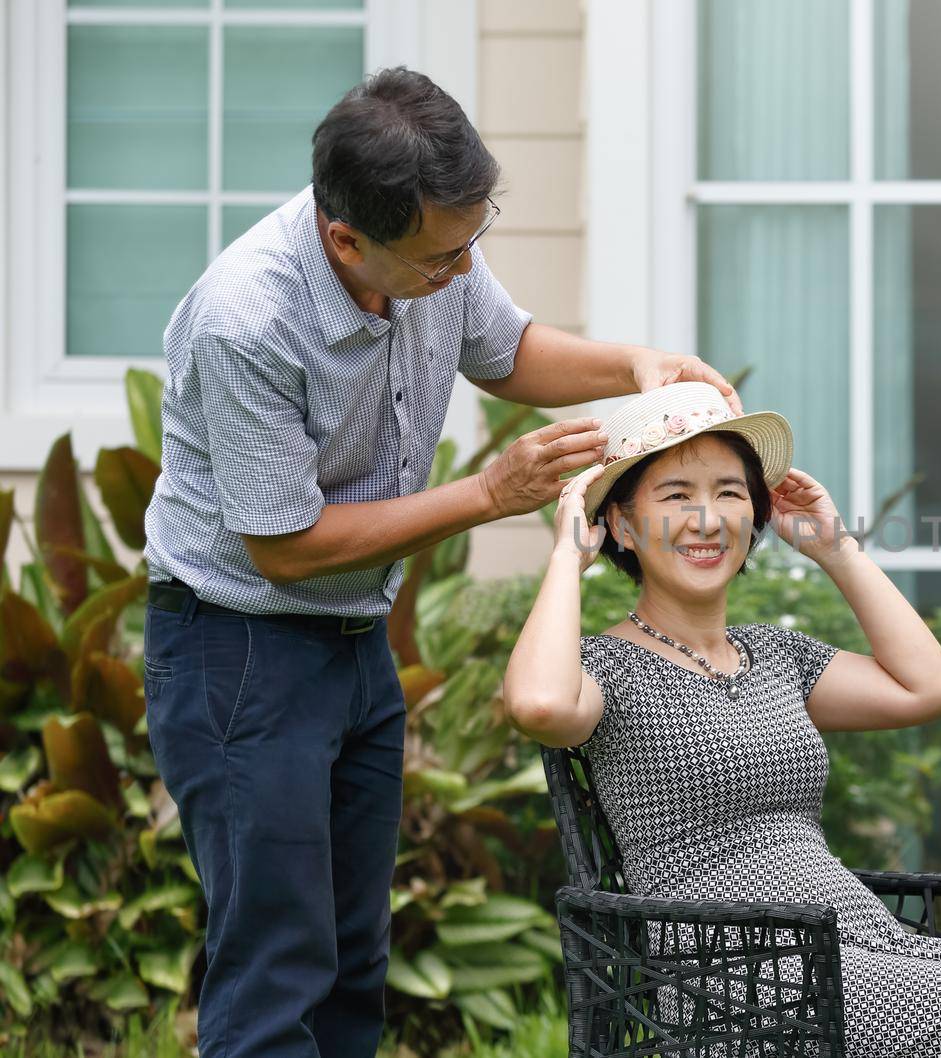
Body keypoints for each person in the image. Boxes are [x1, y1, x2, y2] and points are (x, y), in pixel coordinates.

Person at [140, 69, 739, 1058]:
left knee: (350, 957)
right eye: (440, 257)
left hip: (350, 639)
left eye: (472, 244)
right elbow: (282, 547)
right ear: (347, 239)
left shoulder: (423, 247)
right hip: (238, 647)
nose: (462, 272)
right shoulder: (246, 319)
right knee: (274, 962)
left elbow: (504, 350)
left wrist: (640, 364)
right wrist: (487, 494)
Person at [504, 382, 941, 1057]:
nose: (707, 519)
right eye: (676, 495)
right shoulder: (607, 668)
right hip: (732, 972)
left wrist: (834, 549)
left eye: (730, 493)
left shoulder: (776, 655)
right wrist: (566, 556)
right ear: (620, 524)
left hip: (862, 940)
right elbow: (540, 706)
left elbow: (930, 687)